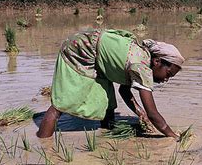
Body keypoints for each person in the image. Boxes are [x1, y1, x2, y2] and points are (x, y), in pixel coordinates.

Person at [36, 28, 184, 140]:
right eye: (168, 74)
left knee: (108, 101)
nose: (166, 79)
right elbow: (153, 113)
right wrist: (172, 136)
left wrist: (140, 113)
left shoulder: (141, 58)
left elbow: (124, 91)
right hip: (81, 49)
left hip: (94, 50)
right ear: (157, 61)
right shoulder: (141, 66)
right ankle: (44, 143)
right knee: (62, 104)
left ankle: (106, 133)